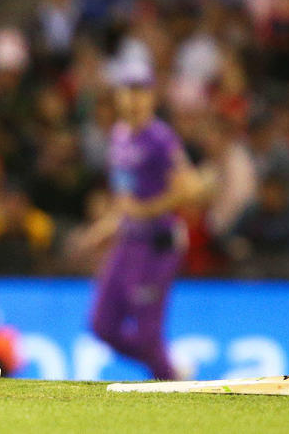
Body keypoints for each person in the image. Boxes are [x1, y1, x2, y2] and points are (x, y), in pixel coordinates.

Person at [84, 61, 206, 380]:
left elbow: (191, 188)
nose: (134, 99)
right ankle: (169, 370)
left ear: (151, 97)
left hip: (158, 244)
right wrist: (106, 227)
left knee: (148, 332)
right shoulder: (120, 135)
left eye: (141, 91)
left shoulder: (160, 138)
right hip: (128, 241)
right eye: (128, 91)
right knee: (101, 325)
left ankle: (168, 376)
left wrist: (147, 209)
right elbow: (125, 198)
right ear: (119, 97)